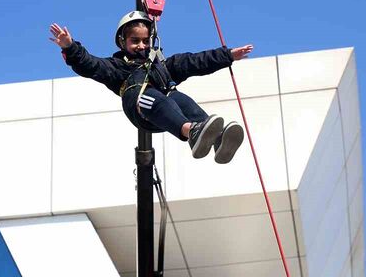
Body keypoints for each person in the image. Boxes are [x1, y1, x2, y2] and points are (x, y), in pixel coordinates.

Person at [49, 11, 253, 164]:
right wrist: (70, 47)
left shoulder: (161, 66)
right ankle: (191, 131)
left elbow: (193, 62)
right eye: (135, 41)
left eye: (146, 41)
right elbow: (90, 64)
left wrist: (228, 56)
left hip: (165, 110)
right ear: (123, 42)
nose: (141, 45)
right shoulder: (117, 67)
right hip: (140, 107)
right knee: (155, 97)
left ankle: (215, 139)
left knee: (179, 98)